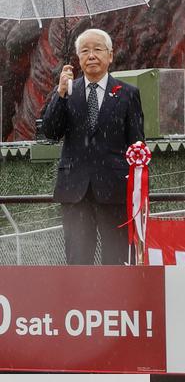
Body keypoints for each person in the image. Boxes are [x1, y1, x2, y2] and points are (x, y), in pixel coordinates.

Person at [40, 28, 145, 265]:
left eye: (98, 49)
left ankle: (116, 302)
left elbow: (137, 143)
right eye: (85, 51)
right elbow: (50, 132)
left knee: (116, 261)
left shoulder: (128, 94)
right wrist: (60, 94)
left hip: (114, 192)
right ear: (78, 58)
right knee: (78, 262)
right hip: (75, 192)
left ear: (110, 55)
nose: (91, 55)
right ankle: (79, 302)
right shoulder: (68, 91)